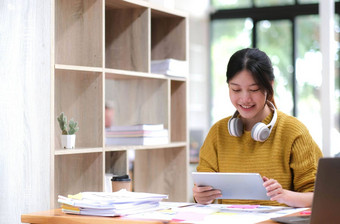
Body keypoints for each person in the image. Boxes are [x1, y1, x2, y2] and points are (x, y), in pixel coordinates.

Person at [193, 48, 323, 208]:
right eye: (235, 89)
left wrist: (284, 196)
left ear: (269, 87)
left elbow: (320, 197)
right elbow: (202, 190)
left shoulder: (293, 131)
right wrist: (200, 196)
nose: (245, 98)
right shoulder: (218, 132)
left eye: (253, 90)